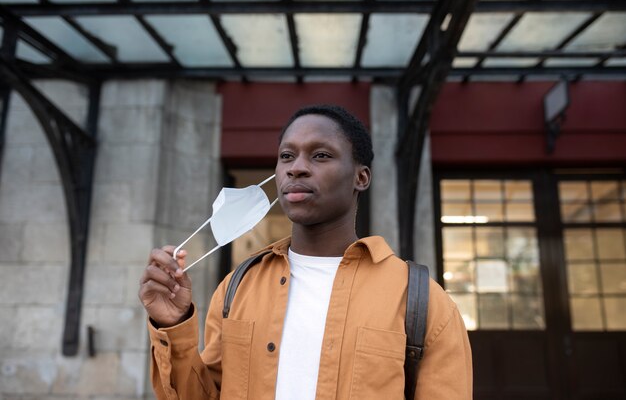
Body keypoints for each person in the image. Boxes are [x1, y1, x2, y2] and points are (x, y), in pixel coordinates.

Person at [139, 104, 472, 400]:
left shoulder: (421, 300)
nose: (296, 168)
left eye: (320, 155)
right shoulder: (236, 288)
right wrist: (174, 323)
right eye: (287, 156)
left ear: (361, 177)